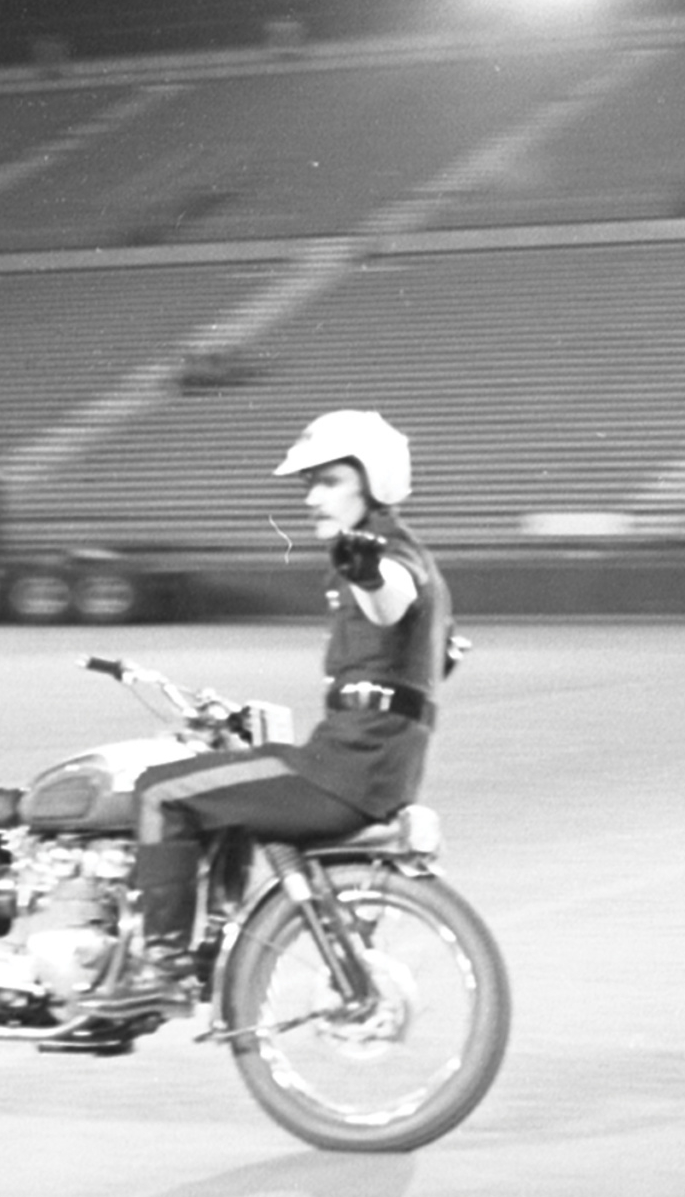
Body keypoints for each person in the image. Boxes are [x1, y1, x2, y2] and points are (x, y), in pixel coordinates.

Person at [92, 408, 450, 1018]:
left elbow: (391, 595)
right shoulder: (411, 557)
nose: (312, 498)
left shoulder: (382, 554)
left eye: (329, 481)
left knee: (158, 792)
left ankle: (162, 967)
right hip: (376, 766)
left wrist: (364, 571)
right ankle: (209, 946)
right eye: (308, 485)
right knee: (234, 786)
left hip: (345, 767)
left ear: (372, 479)